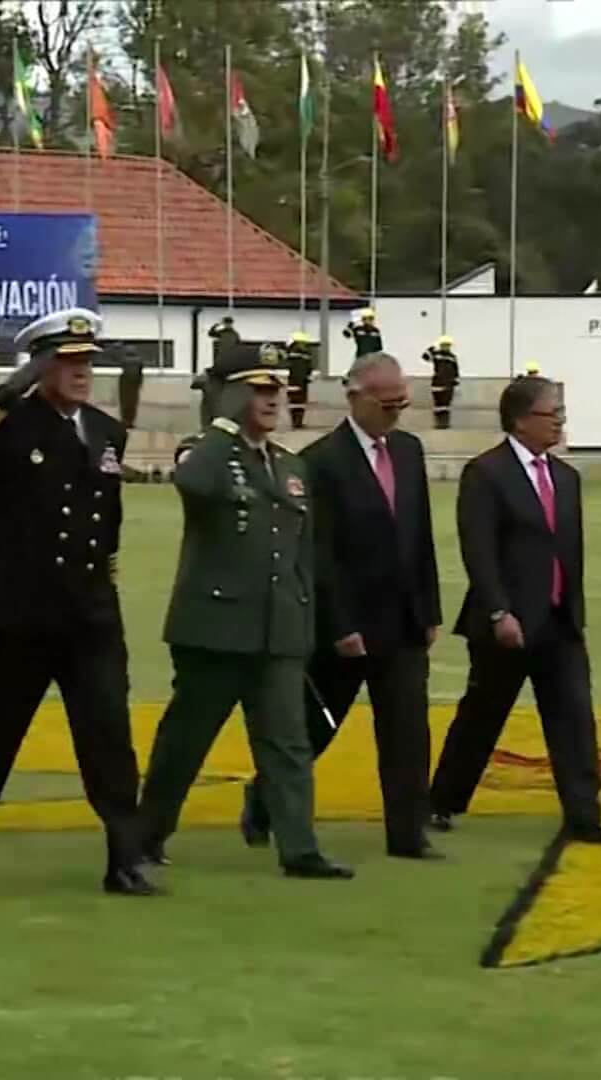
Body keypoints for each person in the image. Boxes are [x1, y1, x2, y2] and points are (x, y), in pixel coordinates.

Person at [0, 309, 158, 897]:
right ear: (40, 365)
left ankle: (124, 858)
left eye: (86, 361)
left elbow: (109, 521)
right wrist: (9, 388)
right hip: (18, 612)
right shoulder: (10, 423)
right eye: (67, 361)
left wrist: (106, 589)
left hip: (89, 614)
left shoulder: (107, 430)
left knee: (108, 735)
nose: (81, 372)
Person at [138, 342, 353, 880]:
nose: (272, 398)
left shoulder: (288, 464)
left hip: (277, 629)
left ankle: (299, 848)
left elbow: (300, 556)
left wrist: (302, 627)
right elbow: (193, 485)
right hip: (214, 628)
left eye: (276, 387)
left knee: (288, 744)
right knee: (185, 742)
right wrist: (221, 426)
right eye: (258, 388)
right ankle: (145, 836)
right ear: (232, 394)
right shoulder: (207, 451)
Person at [237, 351, 443, 860]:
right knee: (315, 727)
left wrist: (430, 608)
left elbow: (420, 537)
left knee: (406, 730)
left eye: (402, 402)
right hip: (345, 624)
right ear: (354, 397)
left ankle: (408, 834)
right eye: (387, 402)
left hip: (403, 620)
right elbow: (317, 552)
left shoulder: (410, 452)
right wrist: (339, 623)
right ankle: (263, 797)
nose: (396, 411)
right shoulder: (321, 460)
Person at [427, 377, 601, 847]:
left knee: (573, 719)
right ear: (522, 419)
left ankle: (585, 817)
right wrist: (499, 612)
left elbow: (572, 553)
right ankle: (442, 801)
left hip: (559, 623)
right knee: (482, 716)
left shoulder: (567, 478)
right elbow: (478, 550)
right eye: (553, 413)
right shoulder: (486, 473)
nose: (561, 420)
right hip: (507, 625)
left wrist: (577, 619)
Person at [425, 336, 461, 430]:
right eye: (444, 345)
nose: (446, 347)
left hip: (448, 384)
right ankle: (438, 423)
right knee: (438, 404)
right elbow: (425, 357)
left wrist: (456, 381)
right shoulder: (436, 355)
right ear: (441, 345)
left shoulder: (452, 357)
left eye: (448, 345)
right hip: (437, 383)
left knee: (446, 405)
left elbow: (455, 370)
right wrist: (432, 348)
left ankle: (445, 424)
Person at [284, 330, 316, 429]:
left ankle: (297, 422)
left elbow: (308, 367)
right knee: (296, 402)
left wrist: (309, 375)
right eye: (302, 343)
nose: (304, 345)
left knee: (299, 402)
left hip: (298, 381)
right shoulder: (296, 355)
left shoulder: (299, 354)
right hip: (296, 381)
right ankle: (296, 422)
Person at [117, 344, 145, 430]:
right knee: (133, 403)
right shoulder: (139, 360)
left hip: (125, 383)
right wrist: (140, 383)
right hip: (134, 383)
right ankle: (130, 421)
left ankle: (125, 420)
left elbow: (121, 368)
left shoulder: (123, 360)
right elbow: (141, 373)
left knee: (124, 402)